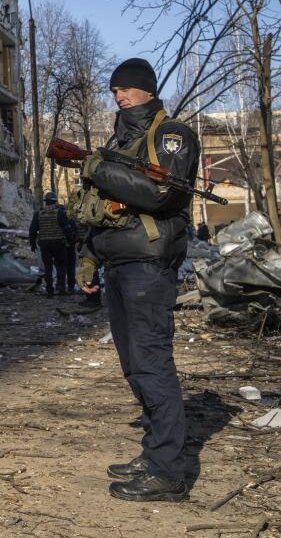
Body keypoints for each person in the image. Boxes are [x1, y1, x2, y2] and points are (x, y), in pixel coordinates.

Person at [70, 58, 198, 503]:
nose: (119, 95)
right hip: (119, 263)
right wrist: (88, 258)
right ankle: (154, 454)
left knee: (151, 364)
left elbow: (161, 194)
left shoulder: (171, 135)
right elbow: (101, 207)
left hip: (148, 263)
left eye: (127, 88)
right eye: (115, 89)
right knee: (133, 366)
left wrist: (97, 168)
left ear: (147, 90)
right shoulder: (119, 140)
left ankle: (168, 472)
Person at [29, 190, 74, 297]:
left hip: (44, 244)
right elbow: (67, 229)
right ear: (55, 201)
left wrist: (32, 244)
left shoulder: (38, 213)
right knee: (61, 266)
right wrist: (70, 241)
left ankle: (50, 290)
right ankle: (61, 289)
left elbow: (33, 230)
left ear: (46, 202)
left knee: (48, 267)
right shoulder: (61, 213)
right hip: (59, 243)